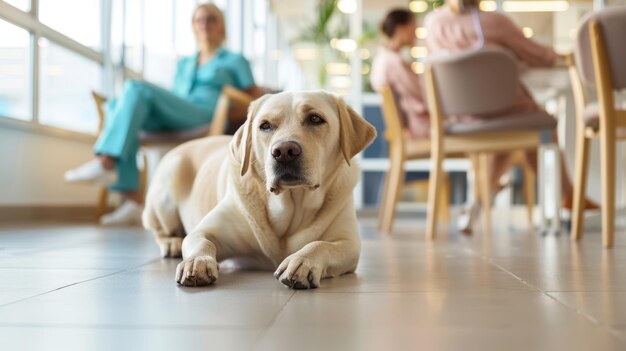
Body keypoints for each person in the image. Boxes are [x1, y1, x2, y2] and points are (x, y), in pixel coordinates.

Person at [371, 4, 592, 232]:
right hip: (492, 115)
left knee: (504, 128)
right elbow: (539, 55)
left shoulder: (433, 24)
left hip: (458, 118)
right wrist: (569, 55)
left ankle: (478, 202)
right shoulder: (496, 22)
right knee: (534, 121)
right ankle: (569, 196)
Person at [65, 3, 261, 226]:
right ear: (193, 27)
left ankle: (107, 162)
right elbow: (176, 95)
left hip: (204, 114)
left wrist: (225, 110)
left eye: (211, 19)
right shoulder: (185, 63)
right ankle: (133, 200)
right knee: (114, 107)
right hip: (176, 111)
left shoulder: (234, 60)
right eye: (199, 20)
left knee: (135, 88)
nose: (204, 24)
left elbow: (252, 100)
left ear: (222, 27)